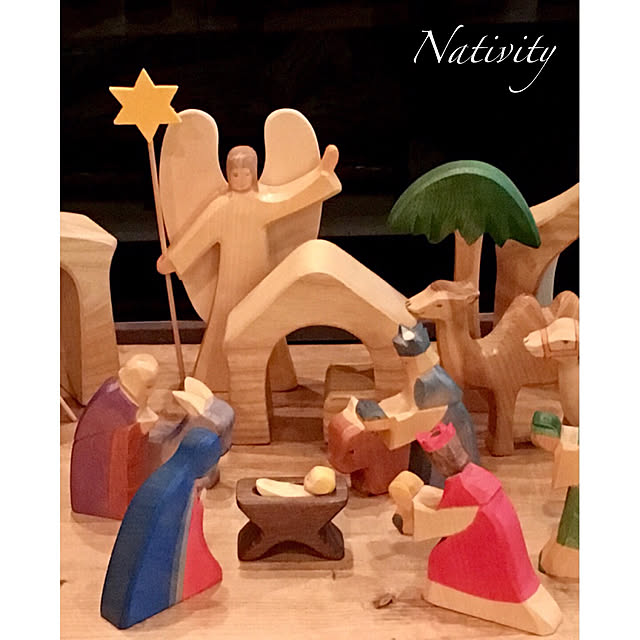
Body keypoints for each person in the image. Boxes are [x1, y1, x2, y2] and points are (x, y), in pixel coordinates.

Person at [157, 144, 341, 391]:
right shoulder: (222, 207)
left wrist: (322, 175)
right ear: (228, 174)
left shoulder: (262, 202)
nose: (241, 179)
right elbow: (198, 236)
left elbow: (291, 199)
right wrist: (174, 259)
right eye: (235, 174)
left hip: (258, 277)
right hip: (230, 278)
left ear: (254, 174)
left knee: (263, 321)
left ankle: (276, 378)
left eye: (246, 173)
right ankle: (214, 376)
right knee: (225, 321)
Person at [70, 354, 159, 520]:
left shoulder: (129, 394)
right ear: (130, 378)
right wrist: (139, 429)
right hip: (101, 476)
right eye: (148, 386)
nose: (151, 392)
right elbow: (108, 439)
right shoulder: (109, 403)